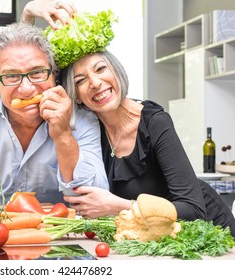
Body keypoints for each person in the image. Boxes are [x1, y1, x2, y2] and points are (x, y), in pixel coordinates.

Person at [21, 0, 235, 237]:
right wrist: (29, 13)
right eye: (80, 81)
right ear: (76, 96)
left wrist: (119, 205)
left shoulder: (154, 122)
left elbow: (193, 209)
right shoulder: (89, 129)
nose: (94, 82)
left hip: (208, 233)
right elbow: (32, 74)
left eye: (101, 69)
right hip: (154, 238)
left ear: (116, 71)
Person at [0, 22, 108, 206]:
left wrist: (63, 135)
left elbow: (94, 197)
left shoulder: (82, 118)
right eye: (11, 76)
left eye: (37, 73)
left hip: (57, 230)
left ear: (53, 74)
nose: (26, 89)